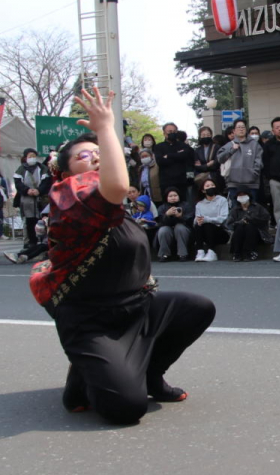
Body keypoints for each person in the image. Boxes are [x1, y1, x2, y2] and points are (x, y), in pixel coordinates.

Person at [29, 87, 214, 424]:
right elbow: (114, 186)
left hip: (134, 307)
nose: (96, 155)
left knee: (197, 308)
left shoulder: (115, 203)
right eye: (84, 155)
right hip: (90, 320)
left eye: (99, 150)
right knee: (126, 409)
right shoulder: (70, 194)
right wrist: (104, 127)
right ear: (67, 172)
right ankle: (84, 375)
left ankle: (150, 375)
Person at [217, 119, 263, 205]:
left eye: (243, 127)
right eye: (239, 127)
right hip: (233, 184)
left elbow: (259, 162)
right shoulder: (229, 145)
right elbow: (220, 158)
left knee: (252, 209)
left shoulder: (255, 144)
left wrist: (253, 174)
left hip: (251, 184)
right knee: (236, 210)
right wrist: (232, 150)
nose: (241, 129)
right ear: (234, 131)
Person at [14, 148, 52, 253]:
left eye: (33, 156)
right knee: (30, 222)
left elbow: (46, 181)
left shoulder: (42, 168)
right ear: (25, 157)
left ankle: (44, 242)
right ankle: (32, 243)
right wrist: (27, 190)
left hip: (41, 199)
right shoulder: (20, 169)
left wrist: (39, 190)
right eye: (30, 156)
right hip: (27, 200)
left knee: (43, 221)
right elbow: (18, 183)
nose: (32, 158)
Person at [154, 122, 196, 203]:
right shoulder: (159, 147)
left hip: (181, 181)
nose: (172, 133)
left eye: (174, 131)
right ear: (164, 133)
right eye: (169, 131)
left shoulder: (183, 146)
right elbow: (161, 161)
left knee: (183, 203)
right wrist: (177, 155)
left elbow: (184, 156)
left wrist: (168, 156)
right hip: (166, 181)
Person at [226, 186, 270, 261]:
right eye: (239, 195)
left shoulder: (257, 207)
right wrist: (241, 222)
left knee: (249, 227)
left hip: (256, 233)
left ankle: (249, 252)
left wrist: (251, 220)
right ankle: (237, 253)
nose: (241, 197)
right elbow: (229, 224)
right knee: (239, 227)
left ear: (249, 196)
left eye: (243, 195)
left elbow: (266, 219)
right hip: (239, 233)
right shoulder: (235, 210)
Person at [192, 176, 229, 262]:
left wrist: (207, 219)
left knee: (208, 225)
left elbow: (223, 218)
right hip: (204, 232)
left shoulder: (222, 200)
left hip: (220, 232)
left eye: (212, 185)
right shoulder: (199, 204)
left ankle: (211, 252)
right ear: (203, 190)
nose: (210, 187)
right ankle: (200, 251)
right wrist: (198, 220)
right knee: (198, 225)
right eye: (207, 186)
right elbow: (196, 219)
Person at [155, 187, 193, 261]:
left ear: (179, 196)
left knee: (179, 227)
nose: (173, 198)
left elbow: (190, 221)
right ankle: (164, 254)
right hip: (167, 230)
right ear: (166, 198)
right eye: (170, 196)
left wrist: (180, 217)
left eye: (175, 195)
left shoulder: (186, 205)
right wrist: (167, 215)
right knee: (163, 230)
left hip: (183, 230)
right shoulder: (162, 207)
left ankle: (183, 254)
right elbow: (159, 222)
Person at [193, 126, 224, 193]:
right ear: (200, 136)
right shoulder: (198, 150)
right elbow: (197, 166)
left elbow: (216, 163)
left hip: (215, 177)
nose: (206, 136)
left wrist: (203, 166)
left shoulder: (216, 147)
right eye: (203, 135)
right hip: (202, 178)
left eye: (208, 135)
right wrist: (207, 165)